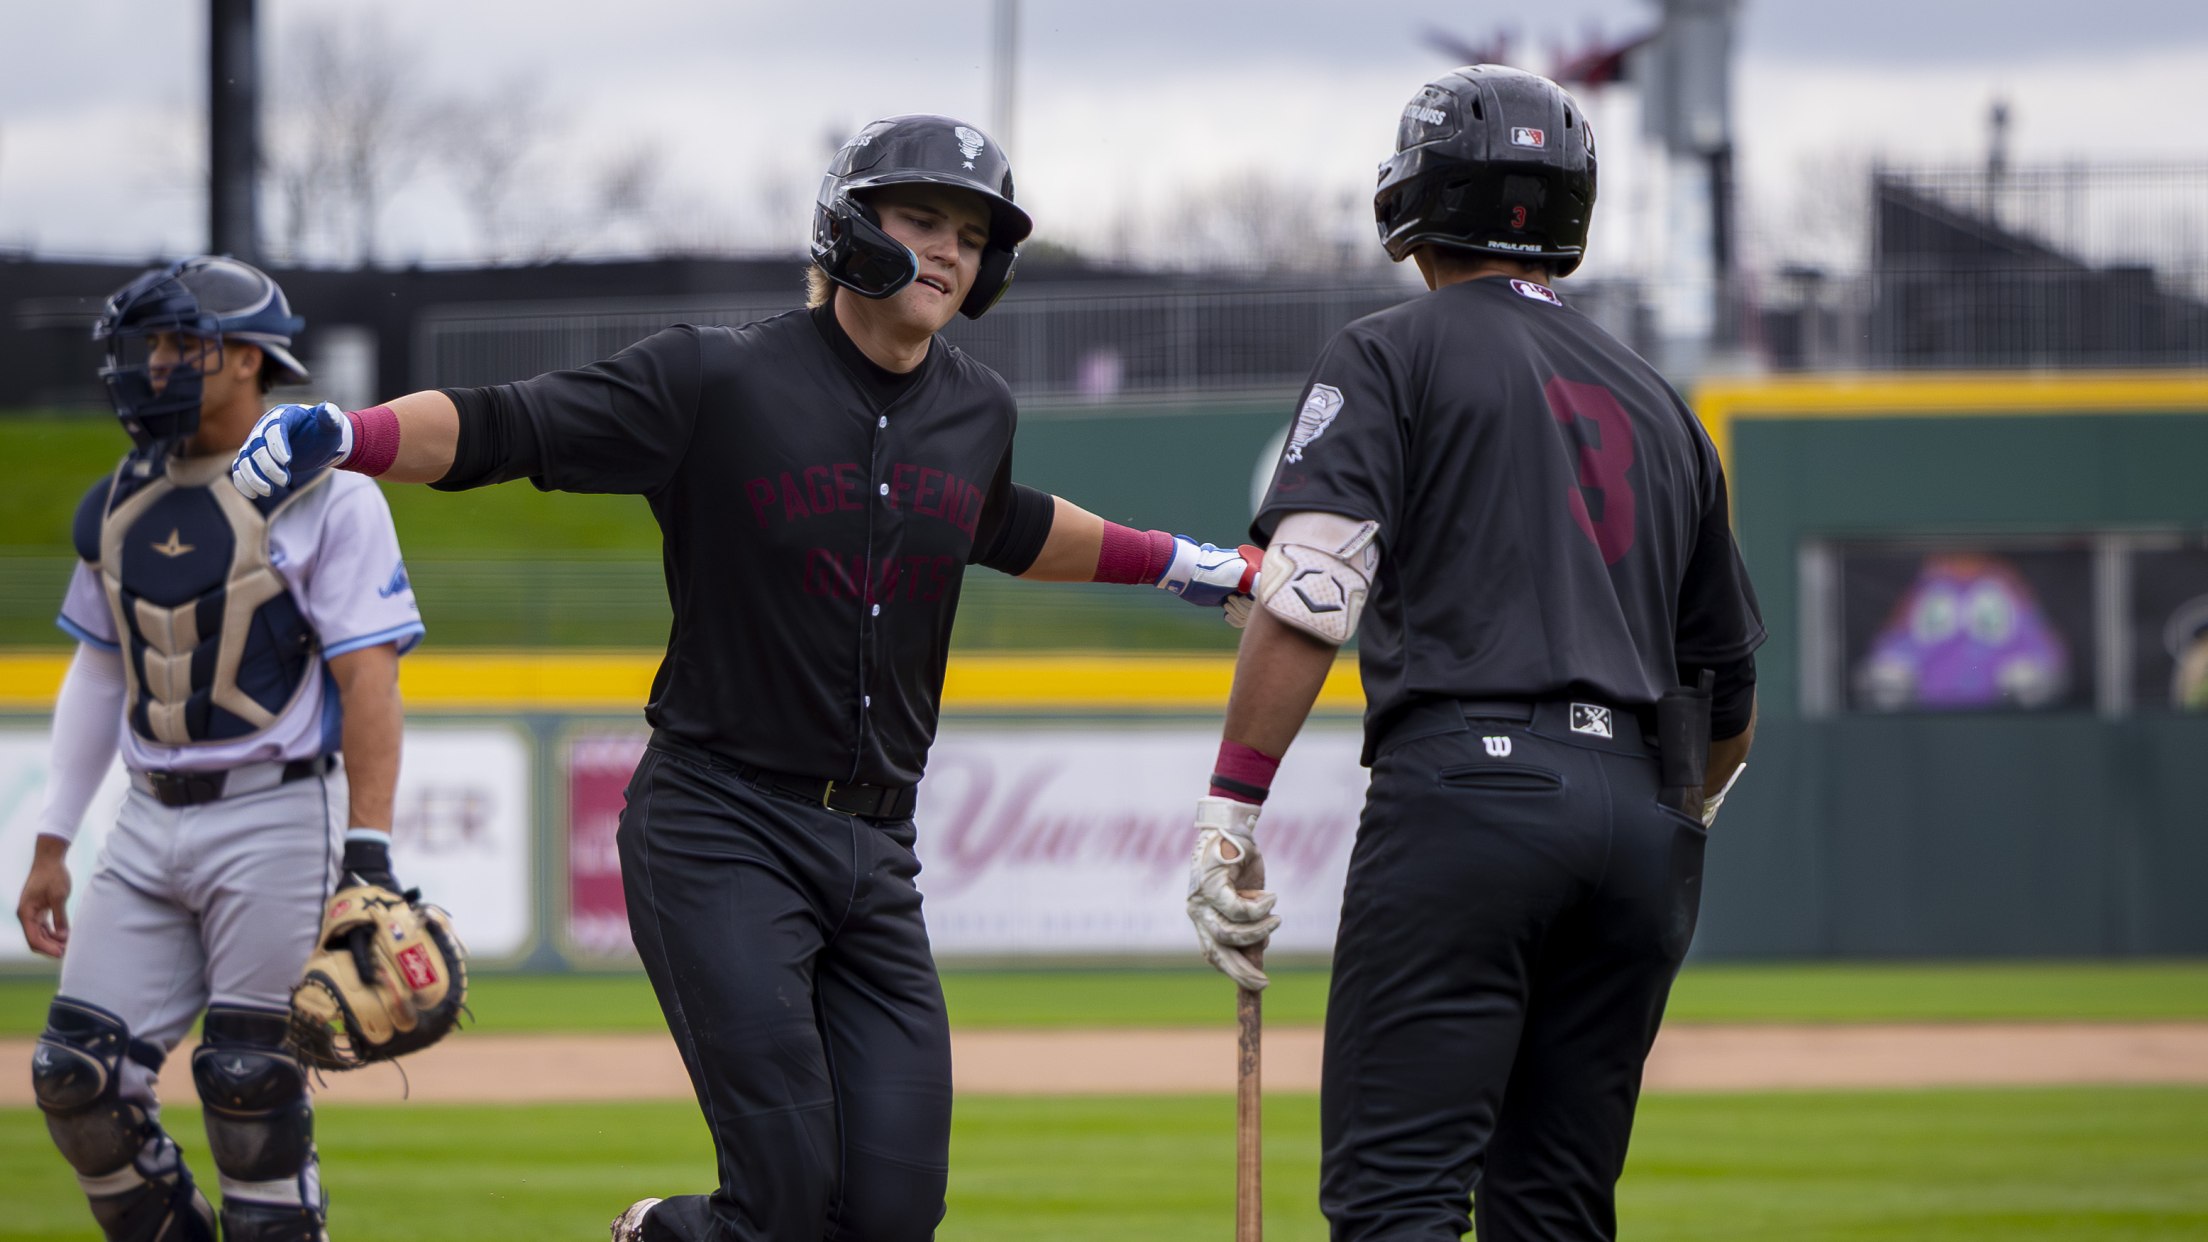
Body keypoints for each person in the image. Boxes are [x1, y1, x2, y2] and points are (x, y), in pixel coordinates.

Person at [228, 114, 1261, 1242]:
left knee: (893, 1217)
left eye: (973, 236)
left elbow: (1003, 524)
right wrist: (350, 433)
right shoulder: (713, 377)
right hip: (720, 828)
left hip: (877, 853)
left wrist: (1180, 564)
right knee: (782, 1202)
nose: (950, 250)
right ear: (849, 226)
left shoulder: (978, 411)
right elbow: (507, 426)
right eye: (923, 219)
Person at [1184, 66, 1765, 1241]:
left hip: (1469, 793)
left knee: (1398, 1202)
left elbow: (1312, 595)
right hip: (1644, 827)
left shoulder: (1387, 351)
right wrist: (1658, 825)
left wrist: (1231, 814)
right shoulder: (1664, 404)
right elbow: (1729, 691)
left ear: (1416, 196)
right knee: (1555, 1213)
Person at [17, 256, 426, 1242]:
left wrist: (368, 854)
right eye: (150, 343)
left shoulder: (330, 493)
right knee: (76, 1080)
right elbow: (101, 673)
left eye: (178, 343)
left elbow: (369, 680)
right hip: (148, 817)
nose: (153, 363)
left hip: (277, 814)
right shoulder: (118, 498)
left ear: (247, 358)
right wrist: (52, 838)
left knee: (251, 1091)